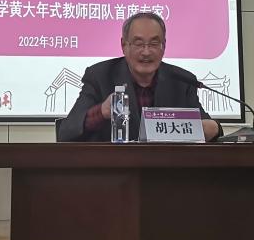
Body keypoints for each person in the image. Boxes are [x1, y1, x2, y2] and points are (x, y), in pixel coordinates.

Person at [58, 12, 221, 142]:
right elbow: (66, 132)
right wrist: (101, 112)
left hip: (168, 169)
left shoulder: (182, 81)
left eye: (154, 44)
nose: (146, 52)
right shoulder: (100, 76)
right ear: (124, 45)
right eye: (138, 43)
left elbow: (211, 128)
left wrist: (213, 128)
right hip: (115, 169)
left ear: (164, 46)